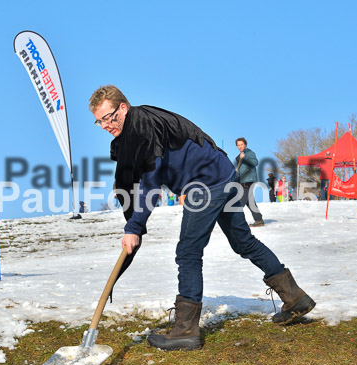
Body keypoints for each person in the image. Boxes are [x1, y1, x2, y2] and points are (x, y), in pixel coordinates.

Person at [89, 85, 315, 351]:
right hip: (223, 174)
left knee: (188, 252)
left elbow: (151, 183)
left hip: (207, 184)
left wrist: (134, 227)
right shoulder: (141, 124)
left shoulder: (143, 128)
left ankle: (185, 331)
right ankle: (295, 297)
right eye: (99, 121)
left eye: (109, 117)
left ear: (123, 108)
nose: (105, 125)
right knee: (243, 242)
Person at [234, 138, 264, 227]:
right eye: (238, 145)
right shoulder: (240, 155)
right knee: (250, 202)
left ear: (245, 145)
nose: (240, 147)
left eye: (241, 144)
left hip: (248, 181)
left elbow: (255, 162)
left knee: (240, 201)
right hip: (242, 180)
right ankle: (259, 220)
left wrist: (245, 157)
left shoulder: (249, 153)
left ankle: (235, 222)